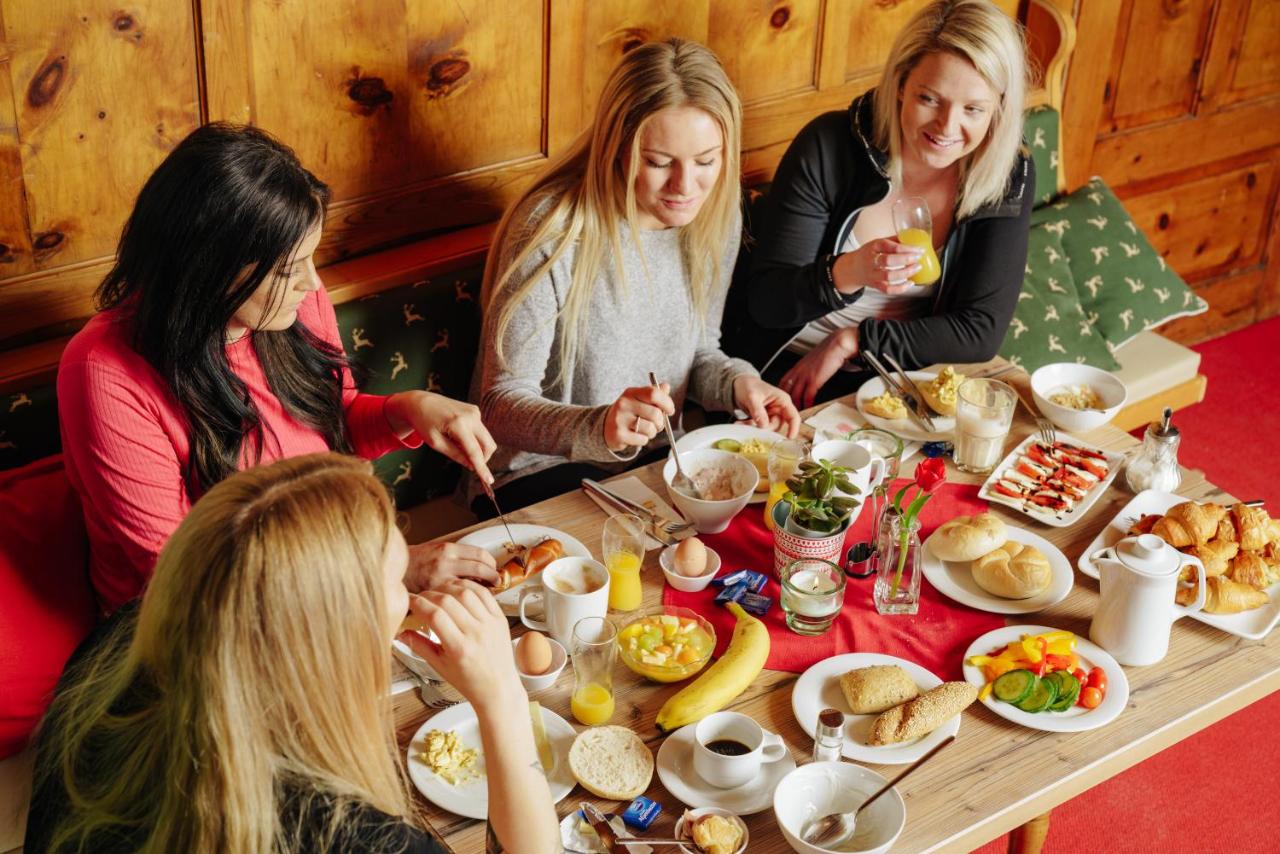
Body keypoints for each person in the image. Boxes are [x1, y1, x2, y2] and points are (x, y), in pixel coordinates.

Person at [57, 123, 499, 612]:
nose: (311, 284)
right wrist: (389, 571)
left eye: (310, 259)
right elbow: (187, 579)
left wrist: (409, 409)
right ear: (210, 268)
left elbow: (328, 430)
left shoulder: (289, 304)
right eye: (289, 268)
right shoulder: (102, 371)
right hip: (200, 623)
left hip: (331, 579)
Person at [24, 453, 559, 854]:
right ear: (331, 644)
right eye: (397, 579)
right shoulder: (350, 836)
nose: (407, 596)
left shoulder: (109, 653)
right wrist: (503, 700)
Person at [471, 38, 799, 515]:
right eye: (659, 162)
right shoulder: (552, 229)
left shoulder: (716, 213)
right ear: (618, 148)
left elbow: (699, 351)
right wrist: (601, 427)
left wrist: (738, 383)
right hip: (538, 473)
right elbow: (499, 405)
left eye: (706, 161)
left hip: (658, 461)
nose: (685, 187)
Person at [723, 0, 1034, 408]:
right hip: (785, 373)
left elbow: (980, 331)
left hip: (897, 378)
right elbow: (768, 302)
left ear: (999, 107)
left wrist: (854, 340)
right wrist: (850, 270)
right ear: (901, 84)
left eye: (973, 109)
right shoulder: (830, 146)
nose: (947, 127)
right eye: (929, 99)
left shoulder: (1006, 172)